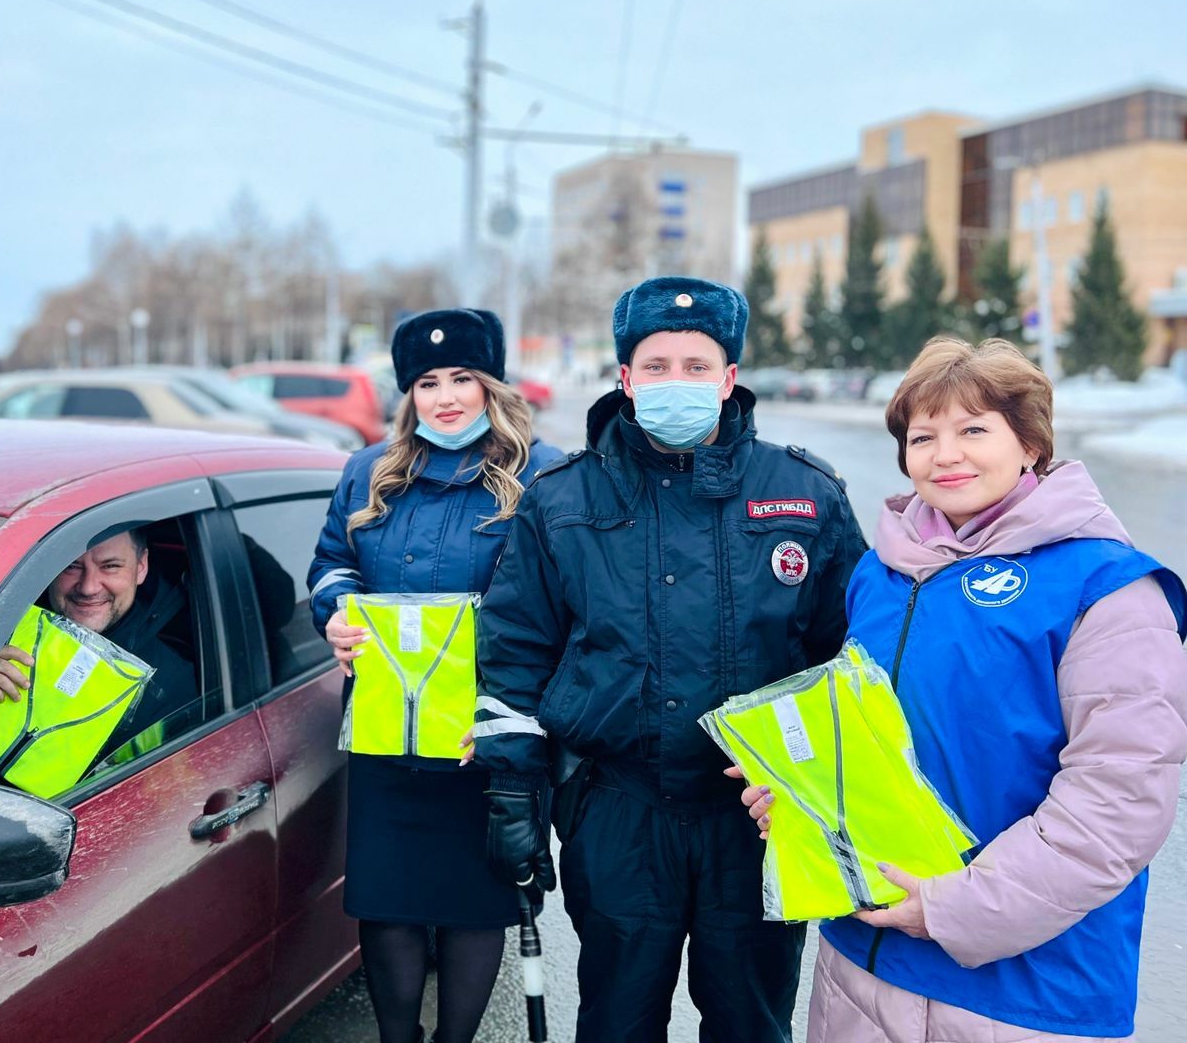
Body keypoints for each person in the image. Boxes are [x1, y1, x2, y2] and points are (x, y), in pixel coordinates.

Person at [737, 338, 1187, 1042]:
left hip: (1023, 990)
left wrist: (956, 909)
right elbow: (864, 741)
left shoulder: (1108, 591)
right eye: (923, 437)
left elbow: (1119, 800)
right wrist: (800, 796)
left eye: (974, 429)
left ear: (1030, 442)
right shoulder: (880, 575)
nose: (946, 455)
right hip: (862, 965)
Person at [474, 276, 868, 1042]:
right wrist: (514, 796)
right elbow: (515, 655)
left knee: (750, 1025)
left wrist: (818, 786)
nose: (675, 382)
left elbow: (847, 658)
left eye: (696, 366)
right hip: (621, 811)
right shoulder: (562, 500)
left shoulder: (805, 493)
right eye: (656, 366)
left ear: (728, 379)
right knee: (618, 1022)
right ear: (625, 378)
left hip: (758, 819)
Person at [308, 307, 562, 1043]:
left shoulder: (541, 475)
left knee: (473, 900)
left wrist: (516, 728)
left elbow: (561, 604)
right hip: (388, 724)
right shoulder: (367, 472)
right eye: (427, 382)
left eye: (462, 379)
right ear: (407, 394)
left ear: (492, 385)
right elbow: (332, 563)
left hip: (487, 732)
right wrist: (336, 613)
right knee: (389, 899)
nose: (446, 397)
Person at [0, 524, 198, 786]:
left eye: (110, 566)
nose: (88, 587)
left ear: (141, 567)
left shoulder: (172, 684)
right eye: (71, 566)